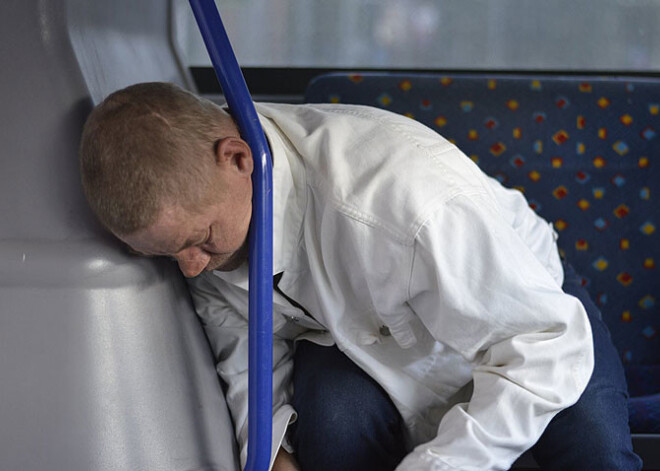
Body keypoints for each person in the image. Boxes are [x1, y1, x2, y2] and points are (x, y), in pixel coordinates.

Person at [79, 82, 642, 471]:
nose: (192, 268)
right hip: (361, 335)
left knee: (596, 453)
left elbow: (540, 349)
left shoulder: (402, 202)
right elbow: (243, 344)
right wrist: (272, 452)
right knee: (332, 423)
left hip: (525, 317)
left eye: (199, 241)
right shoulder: (208, 213)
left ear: (238, 159)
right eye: (169, 255)